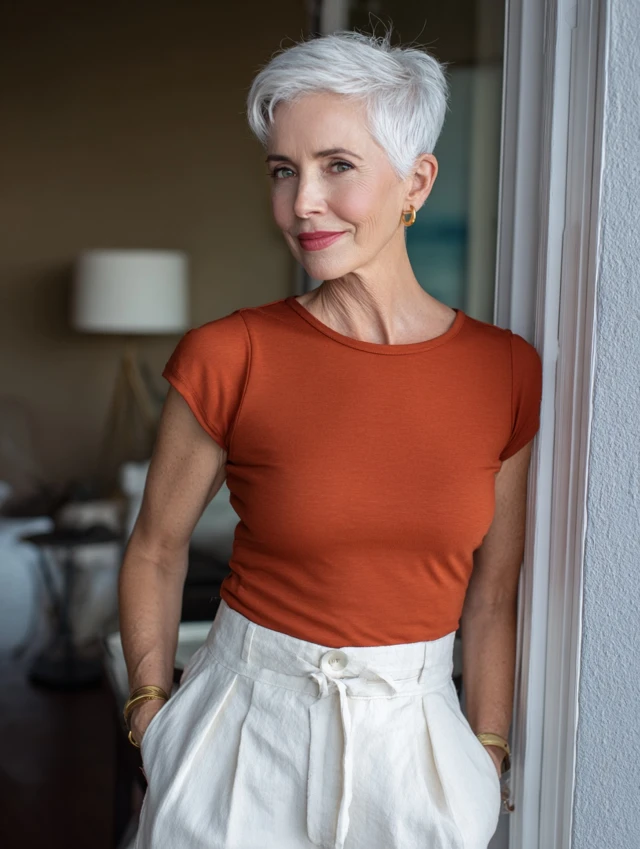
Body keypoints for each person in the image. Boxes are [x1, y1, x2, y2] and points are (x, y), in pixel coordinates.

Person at [119, 27, 542, 849]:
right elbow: (156, 549)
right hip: (240, 741)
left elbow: (494, 592)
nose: (302, 202)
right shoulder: (229, 354)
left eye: (336, 165)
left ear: (416, 181)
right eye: (283, 170)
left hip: (418, 755)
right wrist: (151, 717)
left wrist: (486, 751)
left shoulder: (505, 371)